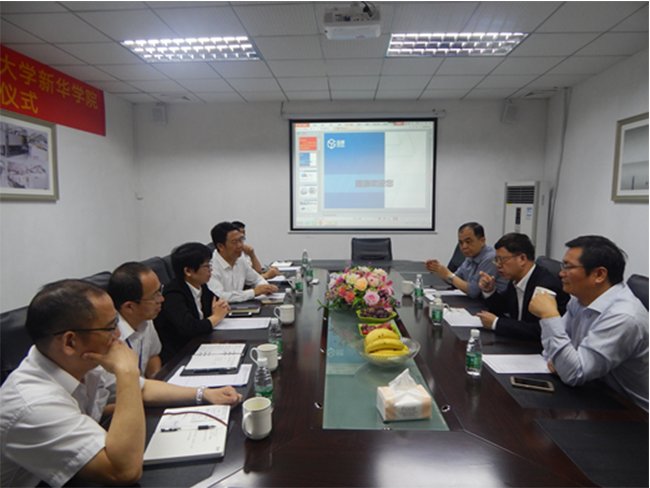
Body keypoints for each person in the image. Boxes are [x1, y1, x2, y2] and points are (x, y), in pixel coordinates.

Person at [0, 280, 242, 488]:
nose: (117, 335)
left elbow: (144, 388)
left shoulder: (83, 361)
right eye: (109, 328)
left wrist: (203, 394)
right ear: (70, 342)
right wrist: (126, 371)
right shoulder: (33, 404)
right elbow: (123, 471)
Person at [529, 235, 648, 411]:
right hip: (595, 395)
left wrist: (549, 316)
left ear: (599, 274)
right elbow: (551, 353)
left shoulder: (623, 317)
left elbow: (573, 373)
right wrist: (565, 362)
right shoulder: (579, 300)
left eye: (568, 267)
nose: (561, 273)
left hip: (633, 414)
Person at [476, 233, 569, 340]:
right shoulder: (516, 279)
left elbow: (540, 330)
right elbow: (503, 306)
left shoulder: (546, 286)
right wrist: (489, 291)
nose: (498, 265)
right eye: (496, 260)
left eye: (501, 260)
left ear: (522, 259)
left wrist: (496, 323)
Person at [155, 242, 231, 364]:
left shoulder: (200, 285)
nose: (210, 270)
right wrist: (216, 317)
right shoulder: (173, 294)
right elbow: (191, 328)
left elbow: (217, 302)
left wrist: (221, 305)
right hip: (180, 355)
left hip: (200, 345)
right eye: (206, 266)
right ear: (188, 271)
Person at [107, 262, 164, 378]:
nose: (161, 299)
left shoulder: (145, 318)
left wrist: (157, 379)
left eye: (160, 291)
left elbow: (152, 356)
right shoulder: (110, 337)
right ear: (129, 307)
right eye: (154, 296)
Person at [425, 222, 507, 298]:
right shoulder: (470, 256)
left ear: (482, 241)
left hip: (494, 305)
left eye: (468, 242)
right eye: (461, 243)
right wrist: (439, 271)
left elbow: (473, 291)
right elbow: (455, 280)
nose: (464, 246)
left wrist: (447, 274)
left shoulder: (490, 258)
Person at [208, 221, 278, 302]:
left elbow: (257, 279)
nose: (240, 245)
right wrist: (253, 292)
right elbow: (220, 296)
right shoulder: (210, 267)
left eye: (241, 240)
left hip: (240, 306)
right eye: (234, 242)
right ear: (220, 246)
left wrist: (266, 287)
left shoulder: (240, 258)